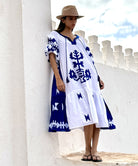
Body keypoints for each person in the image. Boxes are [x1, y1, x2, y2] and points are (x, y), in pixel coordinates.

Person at [45, 5, 116, 162]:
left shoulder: (80, 40)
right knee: (87, 114)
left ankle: (94, 150)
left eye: (75, 19)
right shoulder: (55, 36)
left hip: (89, 81)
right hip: (74, 83)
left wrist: (98, 77)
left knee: (97, 112)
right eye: (70, 19)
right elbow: (52, 56)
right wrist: (58, 78)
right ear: (63, 19)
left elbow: (89, 60)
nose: (73, 22)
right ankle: (87, 149)